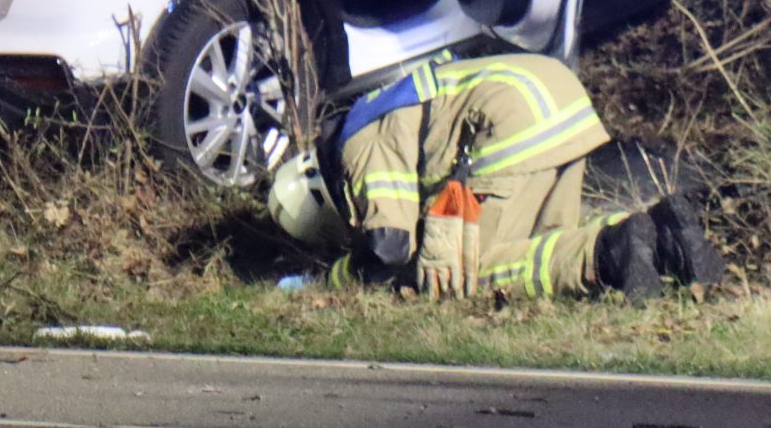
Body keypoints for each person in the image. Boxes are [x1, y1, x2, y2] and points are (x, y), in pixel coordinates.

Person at [267, 53, 722, 302]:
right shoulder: (376, 108)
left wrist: (336, 278)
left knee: (464, 273)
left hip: (512, 121)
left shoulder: (358, 143)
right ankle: (662, 237)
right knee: (546, 240)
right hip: (557, 96)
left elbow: (391, 246)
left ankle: (608, 254)